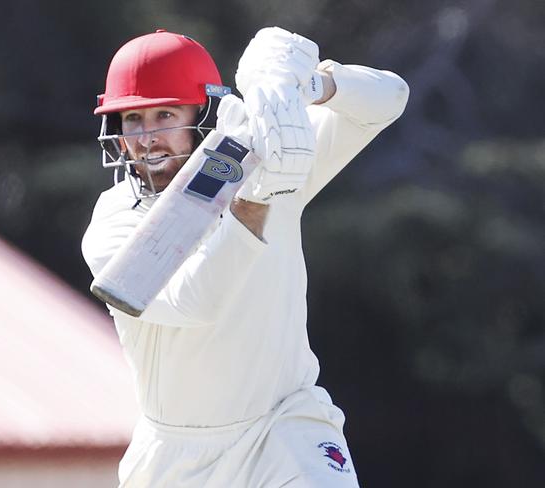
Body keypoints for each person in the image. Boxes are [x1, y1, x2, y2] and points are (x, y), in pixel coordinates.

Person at [82, 27, 409, 487]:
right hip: (176, 456)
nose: (147, 137)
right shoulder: (115, 221)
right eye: (133, 120)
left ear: (204, 113)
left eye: (164, 115)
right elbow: (194, 302)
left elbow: (391, 98)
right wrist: (254, 200)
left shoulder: (273, 154)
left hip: (283, 426)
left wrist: (308, 86)